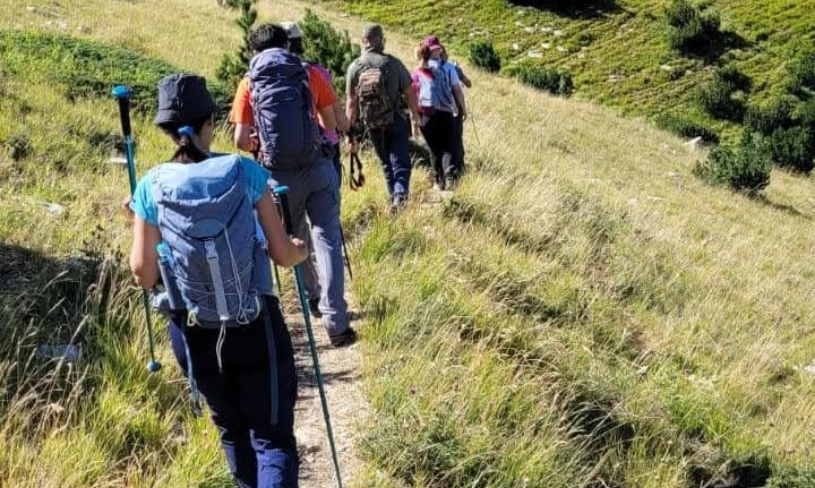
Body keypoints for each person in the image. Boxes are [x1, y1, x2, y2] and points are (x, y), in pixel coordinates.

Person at [126, 73, 308, 487]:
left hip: (194, 334)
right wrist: (301, 250)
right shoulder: (244, 171)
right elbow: (282, 254)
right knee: (273, 438)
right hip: (254, 324)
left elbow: (143, 272)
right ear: (210, 122)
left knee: (232, 431)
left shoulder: (150, 186)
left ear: (167, 130)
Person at [230, 23, 356, 347]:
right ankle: (336, 321)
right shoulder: (309, 74)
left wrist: (262, 144)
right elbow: (330, 124)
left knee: (295, 237)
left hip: (278, 177)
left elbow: (241, 140)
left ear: (254, 50)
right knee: (327, 237)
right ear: (287, 44)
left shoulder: (249, 83)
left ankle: (312, 297)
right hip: (316, 167)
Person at [346, 23, 421, 210]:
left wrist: (349, 132)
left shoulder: (354, 67)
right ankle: (399, 197)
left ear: (364, 40)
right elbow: (410, 91)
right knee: (401, 162)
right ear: (381, 40)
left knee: (386, 163)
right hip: (395, 119)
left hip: (372, 123)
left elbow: (351, 103)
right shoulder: (392, 63)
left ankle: (393, 198)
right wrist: (414, 116)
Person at [282, 21, 351, 179]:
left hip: (287, 146)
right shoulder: (316, 71)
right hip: (324, 144)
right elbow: (335, 112)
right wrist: (349, 132)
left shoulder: (268, 73)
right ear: (299, 42)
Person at [412, 38, 462, 191]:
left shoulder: (415, 73)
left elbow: (412, 100)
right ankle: (449, 178)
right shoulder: (447, 68)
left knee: (434, 150)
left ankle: (436, 181)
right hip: (446, 114)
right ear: (438, 49)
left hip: (426, 116)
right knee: (448, 147)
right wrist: (461, 110)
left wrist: (414, 123)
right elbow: (457, 91)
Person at [440, 44, 471, 175]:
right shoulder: (453, 69)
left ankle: (442, 171)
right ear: (445, 56)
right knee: (457, 139)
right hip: (454, 110)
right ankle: (458, 168)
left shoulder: (428, 69)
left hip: (437, 110)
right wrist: (460, 72)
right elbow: (468, 84)